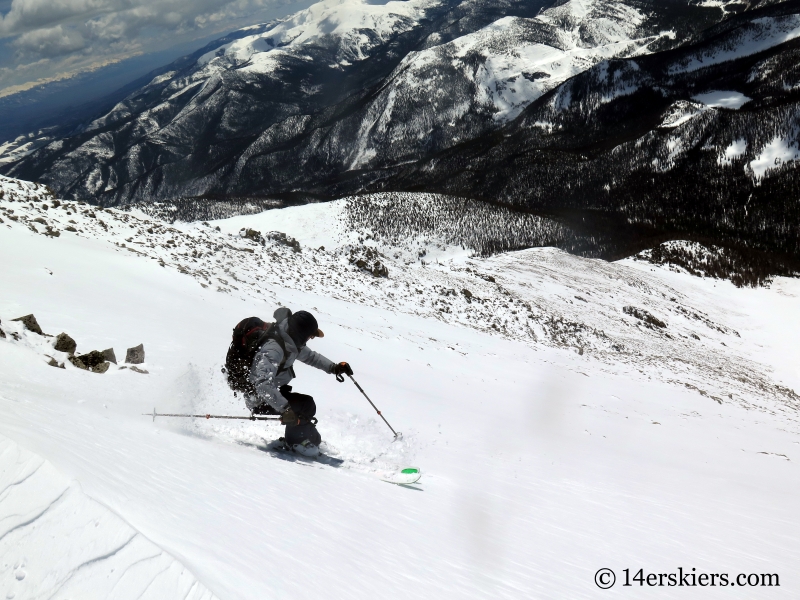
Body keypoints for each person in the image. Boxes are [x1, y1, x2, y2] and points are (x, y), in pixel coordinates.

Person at [245, 307, 352, 456]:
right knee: (302, 406)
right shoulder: (274, 348)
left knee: (306, 404)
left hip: (271, 393)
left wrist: (334, 368)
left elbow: (311, 357)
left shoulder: (290, 341)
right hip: (259, 398)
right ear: (301, 333)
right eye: (310, 336)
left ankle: (311, 442)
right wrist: (285, 409)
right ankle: (295, 443)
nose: (310, 339)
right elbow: (262, 383)